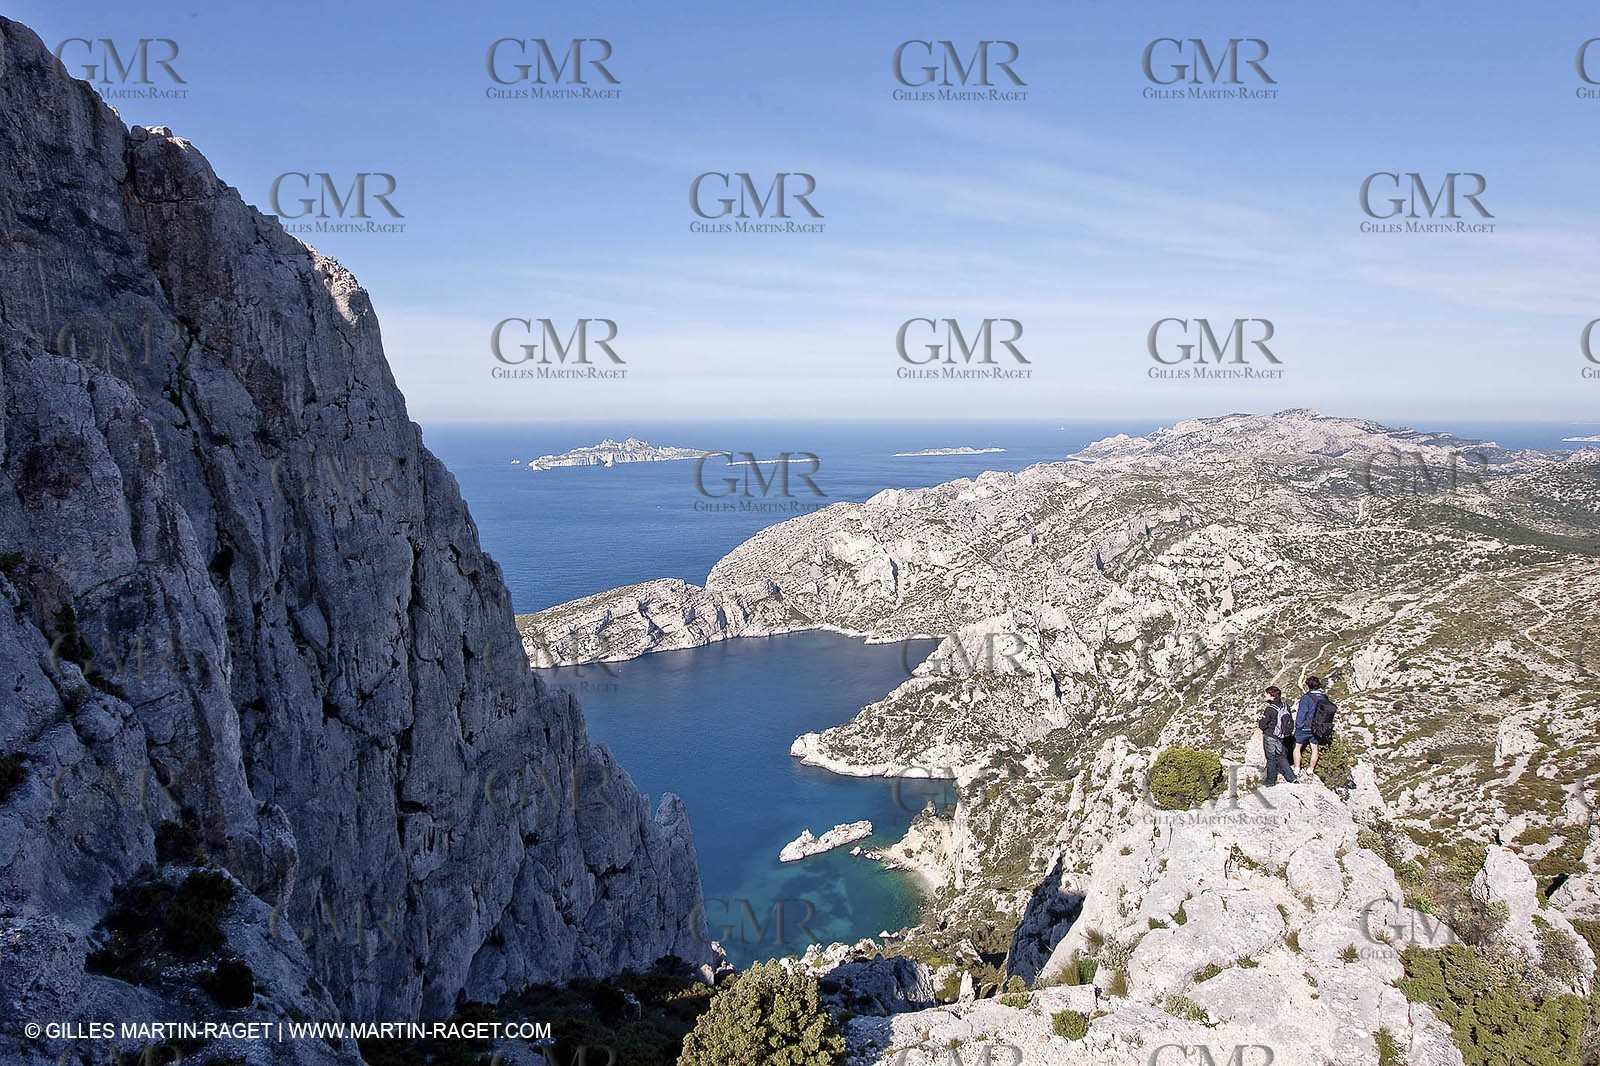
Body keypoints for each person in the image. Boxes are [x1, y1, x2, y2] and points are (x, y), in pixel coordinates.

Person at [1257, 685, 1297, 785]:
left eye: (1266, 694)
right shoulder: (1285, 706)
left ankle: (1270, 781)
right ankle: (1292, 778)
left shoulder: (1270, 709)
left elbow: (1262, 725)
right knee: (1281, 757)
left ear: (1272, 696)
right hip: (1281, 736)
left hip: (1270, 735)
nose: (1264, 696)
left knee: (1271, 758)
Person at [1294, 675, 1328, 777]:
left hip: (1305, 726)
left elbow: (1302, 713)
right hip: (1318, 727)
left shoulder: (1306, 697)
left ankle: (1297, 769)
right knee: (1315, 748)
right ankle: (1311, 769)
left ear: (1308, 685)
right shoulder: (1324, 697)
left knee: (1297, 747)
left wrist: (1298, 726)